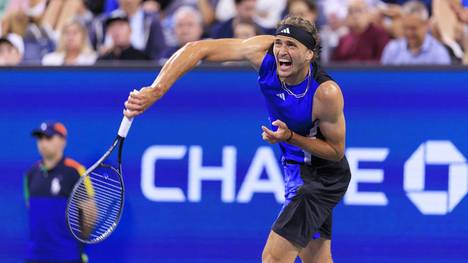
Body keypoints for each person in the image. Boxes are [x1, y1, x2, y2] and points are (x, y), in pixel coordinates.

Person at [124, 15, 351, 263]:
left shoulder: (326, 93)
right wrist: (156, 90)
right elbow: (199, 48)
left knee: (273, 259)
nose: (281, 51)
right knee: (317, 258)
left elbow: (336, 151)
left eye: (291, 45)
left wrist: (291, 137)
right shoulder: (262, 53)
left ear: (309, 54)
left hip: (321, 177)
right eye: (279, 42)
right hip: (296, 169)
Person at [24, 122, 91, 263]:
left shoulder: (75, 171)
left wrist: (77, 247)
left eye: (48, 138)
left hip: (66, 255)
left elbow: (89, 214)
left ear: (62, 141)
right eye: (40, 138)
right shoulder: (31, 173)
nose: (43, 143)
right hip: (36, 255)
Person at [381, 0, 451, 65]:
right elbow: (383, 77)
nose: (409, 33)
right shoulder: (392, 49)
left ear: (426, 25)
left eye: (413, 28)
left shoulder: (438, 53)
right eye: (405, 28)